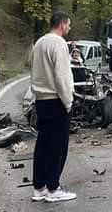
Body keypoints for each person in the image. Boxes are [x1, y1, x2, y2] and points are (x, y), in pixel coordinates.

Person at [29, 11, 77, 203]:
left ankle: (39, 187)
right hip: (56, 100)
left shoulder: (39, 43)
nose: (69, 28)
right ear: (62, 24)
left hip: (41, 99)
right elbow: (62, 76)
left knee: (43, 145)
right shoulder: (58, 44)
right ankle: (53, 187)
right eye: (69, 24)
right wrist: (68, 102)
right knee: (58, 146)